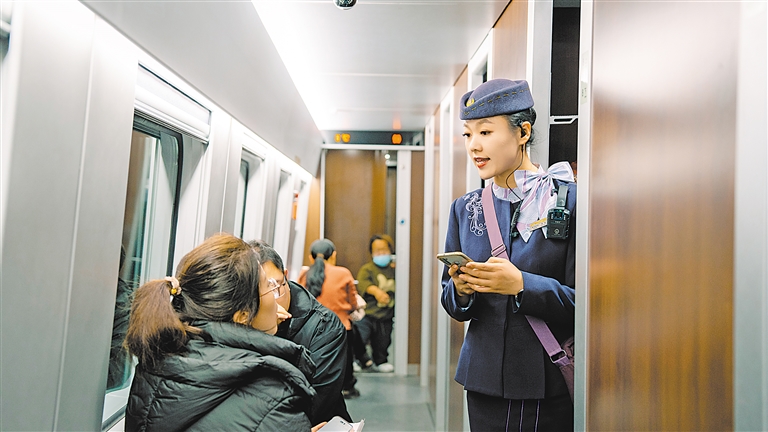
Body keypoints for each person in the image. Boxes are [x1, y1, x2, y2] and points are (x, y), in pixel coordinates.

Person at [441, 78, 576, 430]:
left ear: (523, 132)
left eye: (486, 132)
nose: (474, 145)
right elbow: (450, 301)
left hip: (544, 379)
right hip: (483, 379)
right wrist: (461, 290)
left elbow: (587, 304)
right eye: (468, 134)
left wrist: (522, 285)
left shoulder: (569, 200)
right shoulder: (464, 208)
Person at [124, 233, 323, 432]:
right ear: (243, 315)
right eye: (268, 286)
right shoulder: (275, 398)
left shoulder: (157, 358)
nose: (274, 295)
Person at [249, 240, 354, 422]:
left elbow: (317, 401)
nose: (270, 299)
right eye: (260, 292)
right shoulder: (242, 316)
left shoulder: (324, 325)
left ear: (286, 276)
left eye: (275, 287)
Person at [298, 239, 360, 398]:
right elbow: (353, 300)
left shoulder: (305, 274)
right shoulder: (343, 273)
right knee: (345, 359)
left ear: (311, 257)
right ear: (333, 256)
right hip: (341, 325)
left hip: (312, 327)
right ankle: (347, 388)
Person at [356, 234, 396, 373]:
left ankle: (381, 361)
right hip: (367, 314)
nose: (381, 253)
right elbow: (364, 284)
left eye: (384, 249)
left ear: (390, 250)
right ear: (372, 252)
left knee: (383, 341)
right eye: (377, 250)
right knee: (360, 339)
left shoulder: (394, 269)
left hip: (386, 315)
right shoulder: (367, 269)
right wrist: (377, 292)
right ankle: (357, 360)